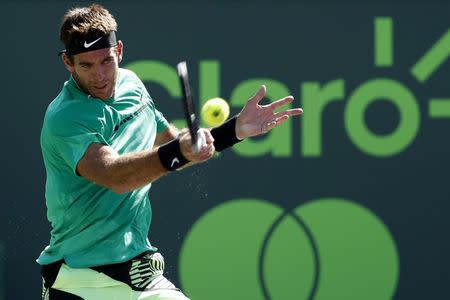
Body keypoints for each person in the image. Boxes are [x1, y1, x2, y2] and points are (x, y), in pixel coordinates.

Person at [37, 4, 303, 300]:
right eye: (86, 65)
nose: (100, 75)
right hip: (79, 281)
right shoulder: (65, 117)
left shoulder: (132, 86)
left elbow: (173, 145)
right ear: (68, 63)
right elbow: (114, 175)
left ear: (120, 51)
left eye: (106, 61)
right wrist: (179, 151)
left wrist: (233, 131)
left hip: (137, 275)